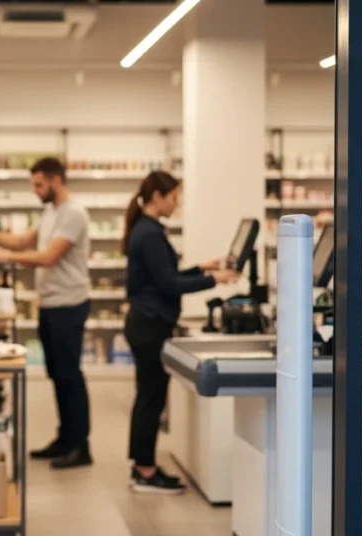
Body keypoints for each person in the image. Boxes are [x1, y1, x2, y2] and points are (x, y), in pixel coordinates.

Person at [122, 170, 240, 494]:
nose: (176, 204)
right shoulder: (148, 233)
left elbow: (166, 275)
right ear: (157, 197)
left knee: (148, 397)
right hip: (149, 325)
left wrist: (202, 268)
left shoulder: (147, 230)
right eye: (173, 197)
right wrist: (214, 280)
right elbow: (168, 284)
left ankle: (142, 465)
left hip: (145, 322)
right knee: (151, 398)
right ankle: (145, 472)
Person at [0, 156, 93, 469]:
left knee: (70, 376)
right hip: (50, 304)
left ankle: (80, 446)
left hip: (69, 305)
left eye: (39, 184)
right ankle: (65, 438)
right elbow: (23, 241)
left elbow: (48, 257)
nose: (35, 190)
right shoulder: (50, 211)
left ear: (56, 180)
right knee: (58, 375)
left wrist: (6, 256)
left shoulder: (73, 213)